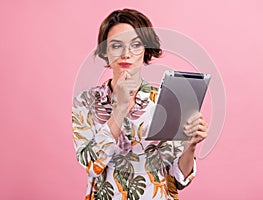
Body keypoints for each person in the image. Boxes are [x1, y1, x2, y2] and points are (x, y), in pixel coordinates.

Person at [72, 8, 208, 200]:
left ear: (145, 50)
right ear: (106, 51)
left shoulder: (164, 101)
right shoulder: (85, 102)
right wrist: (119, 110)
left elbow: (178, 179)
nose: (126, 54)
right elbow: (91, 165)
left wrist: (190, 145)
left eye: (135, 45)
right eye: (116, 46)